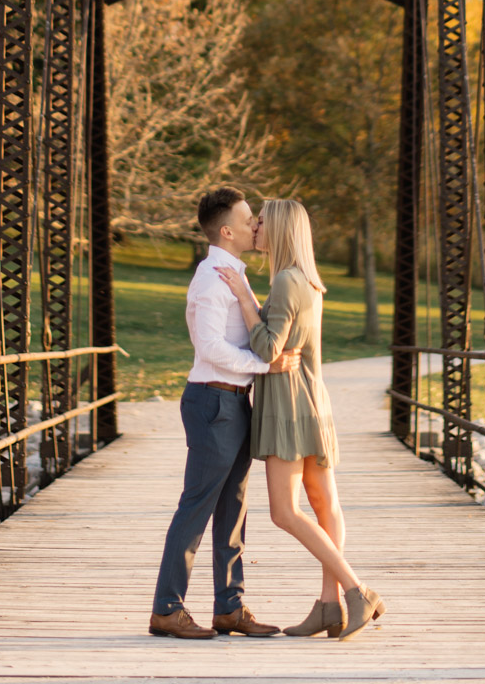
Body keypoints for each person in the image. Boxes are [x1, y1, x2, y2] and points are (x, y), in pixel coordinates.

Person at [217, 196, 385, 642]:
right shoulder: (307, 280)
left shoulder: (289, 281)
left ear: (282, 230)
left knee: (285, 512)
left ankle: (355, 590)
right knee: (325, 505)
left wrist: (242, 299)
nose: (254, 228)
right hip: (313, 400)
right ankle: (329, 607)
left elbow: (268, 350)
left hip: (289, 406)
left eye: (262, 222)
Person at [149, 186, 302, 640]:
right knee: (196, 508)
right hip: (213, 400)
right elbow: (211, 348)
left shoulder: (231, 273)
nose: (258, 224)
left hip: (234, 402)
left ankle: (229, 607)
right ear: (228, 230)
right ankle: (167, 609)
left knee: (233, 509)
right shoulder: (213, 278)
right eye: (250, 218)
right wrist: (265, 364)